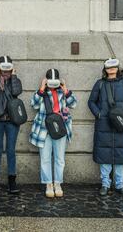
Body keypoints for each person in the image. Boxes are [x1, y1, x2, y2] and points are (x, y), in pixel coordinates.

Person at [88, 58, 123, 197]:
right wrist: (98, 114)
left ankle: (120, 185)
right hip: (103, 124)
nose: (111, 69)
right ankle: (105, 184)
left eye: (114, 67)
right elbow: (91, 102)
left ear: (117, 68)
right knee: (104, 156)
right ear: (105, 69)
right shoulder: (99, 84)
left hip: (120, 124)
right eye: (108, 67)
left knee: (120, 155)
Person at [29, 69, 77, 198]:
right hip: (44, 129)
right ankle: (48, 184)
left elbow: (73, 104)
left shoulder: (63, 92)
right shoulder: (42, 93)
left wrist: (66, 89)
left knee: (59, 159)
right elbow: (33, 104)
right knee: (45, 159)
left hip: (60, 129)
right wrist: (42, 88)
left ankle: (58, 183)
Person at [0, 56, 23, 194]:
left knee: (11, 151)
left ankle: (12, 182)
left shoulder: (16, 81)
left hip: (12, 120)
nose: (5, 71)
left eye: (8, 68)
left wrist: (13, 76)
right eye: (3, 68)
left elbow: (16, 92)